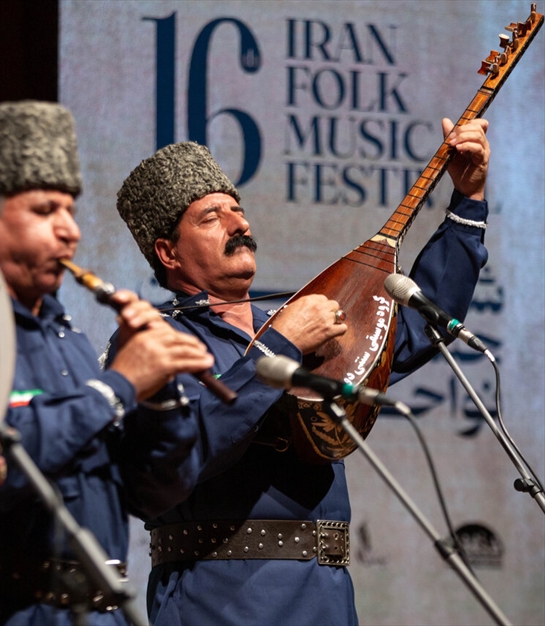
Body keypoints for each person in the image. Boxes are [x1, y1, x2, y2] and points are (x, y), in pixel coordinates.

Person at [110, 118, 490, 625]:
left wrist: (468, 202)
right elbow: (174, 454)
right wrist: (280, 348)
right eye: (211, 217)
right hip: (221, 602)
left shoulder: (294, 324)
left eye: (238, 210)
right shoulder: (152, 341)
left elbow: (413, 328)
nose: (238, 224)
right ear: (168, 253)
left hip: (326, 599)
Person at [0, 100, 215, 625]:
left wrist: (161, 394)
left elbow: (153, 494)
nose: (69, 230)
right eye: (45, 210)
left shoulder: (67, 336)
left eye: (70, 211)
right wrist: (119, 385)